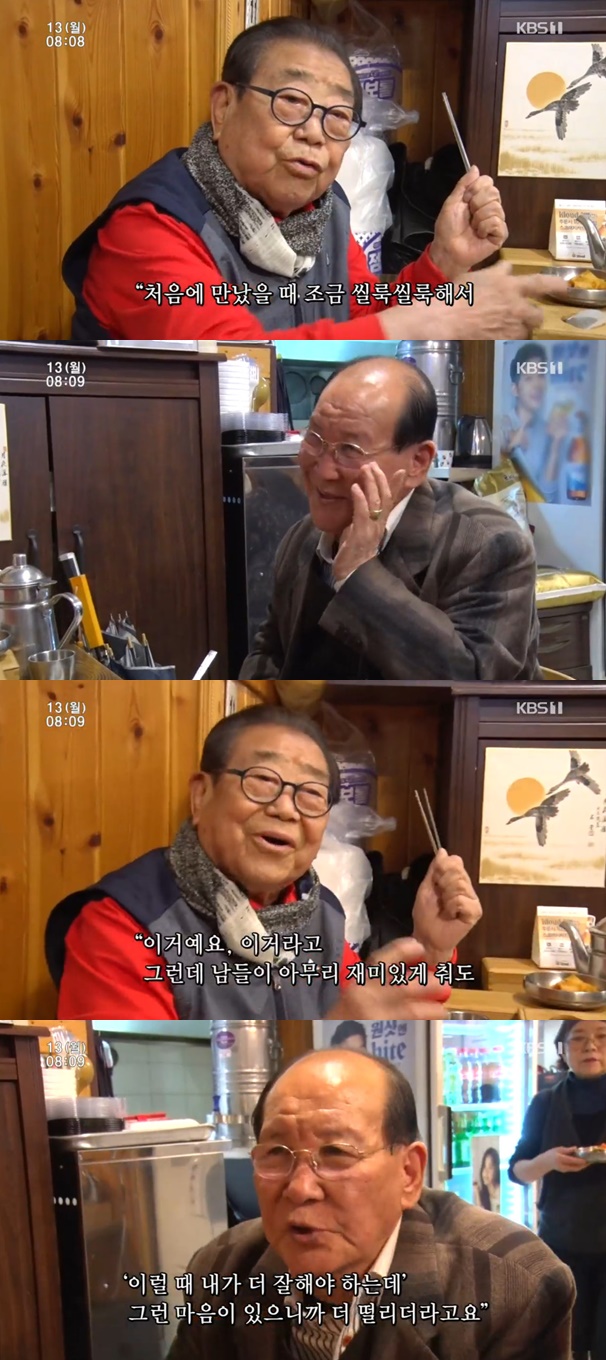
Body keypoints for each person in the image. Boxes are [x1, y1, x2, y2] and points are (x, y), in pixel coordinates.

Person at [61, 18, 571, 344]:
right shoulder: (149, 230)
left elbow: (359, 312)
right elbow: (235, 372)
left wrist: (443, 262)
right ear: (223, 107)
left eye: (337, 117)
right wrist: (432, 319)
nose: (313, 133)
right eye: (291, 102)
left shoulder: (323, 211)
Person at [45, 705, 482, 1022]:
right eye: (262, 781)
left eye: (311, 794)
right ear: (201, 796)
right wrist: (339, 1034)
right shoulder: (121, 926)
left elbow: (373, 1004)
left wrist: (431, 948)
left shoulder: (319, 910)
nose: (286, 809)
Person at [167, 1048, 575, 1360]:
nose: (301, 1188)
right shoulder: (221, 1269)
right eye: (276, 1153)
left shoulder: (510, 1286)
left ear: (408, 1174)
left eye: (337, 1153)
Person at [240, 358, 541, 681]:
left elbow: (473, 682)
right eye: (314, 438)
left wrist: (358, 572)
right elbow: (269, 654)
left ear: (417, 462)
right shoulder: (302, 537)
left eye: (350, 449)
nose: (324, 471)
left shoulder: (488, 544)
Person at [509, 1018, 606, 1360]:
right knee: (564, 1345)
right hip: (563, 1245)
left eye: (602, 1036)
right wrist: (548, 1160)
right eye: (578, 1038)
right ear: (562, 1050)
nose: (590, 1045)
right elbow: (518, 1171)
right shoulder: (545, 1103)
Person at [501, 342, 574, 503]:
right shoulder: (502, 426)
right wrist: (511, 450)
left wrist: (555, 445)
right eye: (528, 378)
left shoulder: (547, 429)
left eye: (541, 376)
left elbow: (547, 497)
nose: (537, 385)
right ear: (515, 389)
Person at [474, 1147, 501, 1212]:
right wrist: (477, 1193)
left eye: (490, 1167)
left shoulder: (501, 1192)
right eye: (484, 1166)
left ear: (496, 1169)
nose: (486, 1172)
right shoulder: (483, 1194)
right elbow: (481, 1215)